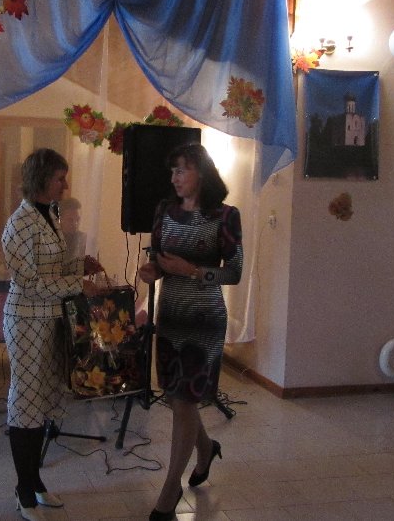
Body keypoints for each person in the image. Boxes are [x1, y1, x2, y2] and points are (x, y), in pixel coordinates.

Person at [138, 143, 243, 521]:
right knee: (179, 397)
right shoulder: (164, 212)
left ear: (201, 172)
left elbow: (233, 273)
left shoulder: (226, 216)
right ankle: (206, 448)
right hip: (170, 318)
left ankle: (170, 490)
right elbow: (158, 261)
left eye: (181, 170)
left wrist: (193, 271)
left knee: (184, 400)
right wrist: (152, 271)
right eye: (173, 171)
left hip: (204, 321)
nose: (174, 178)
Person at [1, 148, 103, 521]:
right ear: (41, 179)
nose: (66, 185)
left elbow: (51, 269)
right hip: (26, 321)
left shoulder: (50, 214)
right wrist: (77, 284)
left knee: (42, 400)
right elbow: (29, 283)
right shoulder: (19, 223)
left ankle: (36, 481)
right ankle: (24, 491)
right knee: (26, 402)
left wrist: (79, 265)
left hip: (50, 319)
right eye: (60, 178)